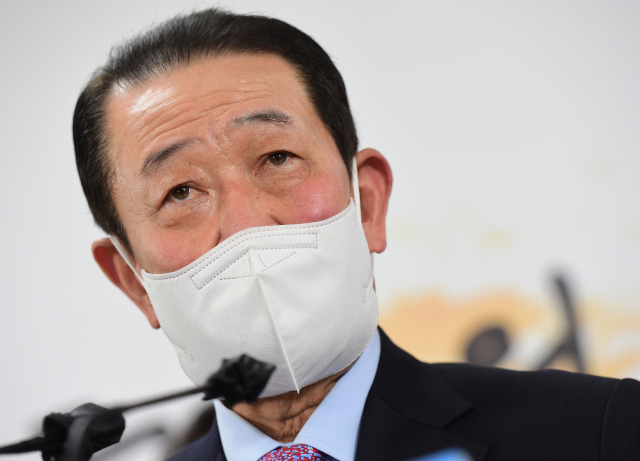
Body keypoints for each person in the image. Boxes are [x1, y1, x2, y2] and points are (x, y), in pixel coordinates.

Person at [73, 8, 640, 461]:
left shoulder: (598, 432)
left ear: (367, 203)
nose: (245, 225)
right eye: (180, 192)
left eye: (277, 158)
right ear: (134, 282)